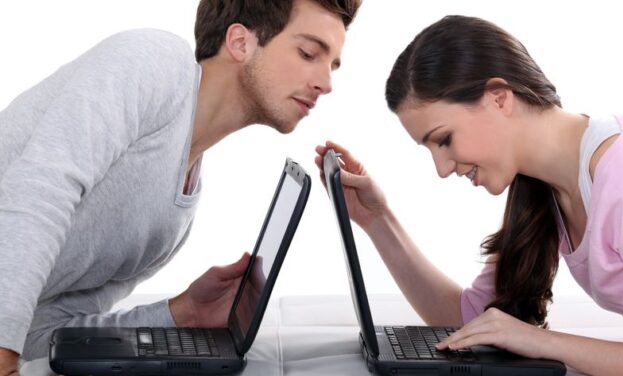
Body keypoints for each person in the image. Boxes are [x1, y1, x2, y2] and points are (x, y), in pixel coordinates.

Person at [0, 0, 360, 371]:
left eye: (332, 65)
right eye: (309, 53)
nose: (327, 83)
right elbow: (36, 193)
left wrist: (181, 313)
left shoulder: (175, 221)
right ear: (240, 42)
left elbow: (42, 335)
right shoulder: (154, 62)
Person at [315, 15, 623, 375]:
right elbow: (471, 321)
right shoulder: (542, 187)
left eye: (444, 140)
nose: (442, 168)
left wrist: (545, 342)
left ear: (499, 98)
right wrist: (378, 220)